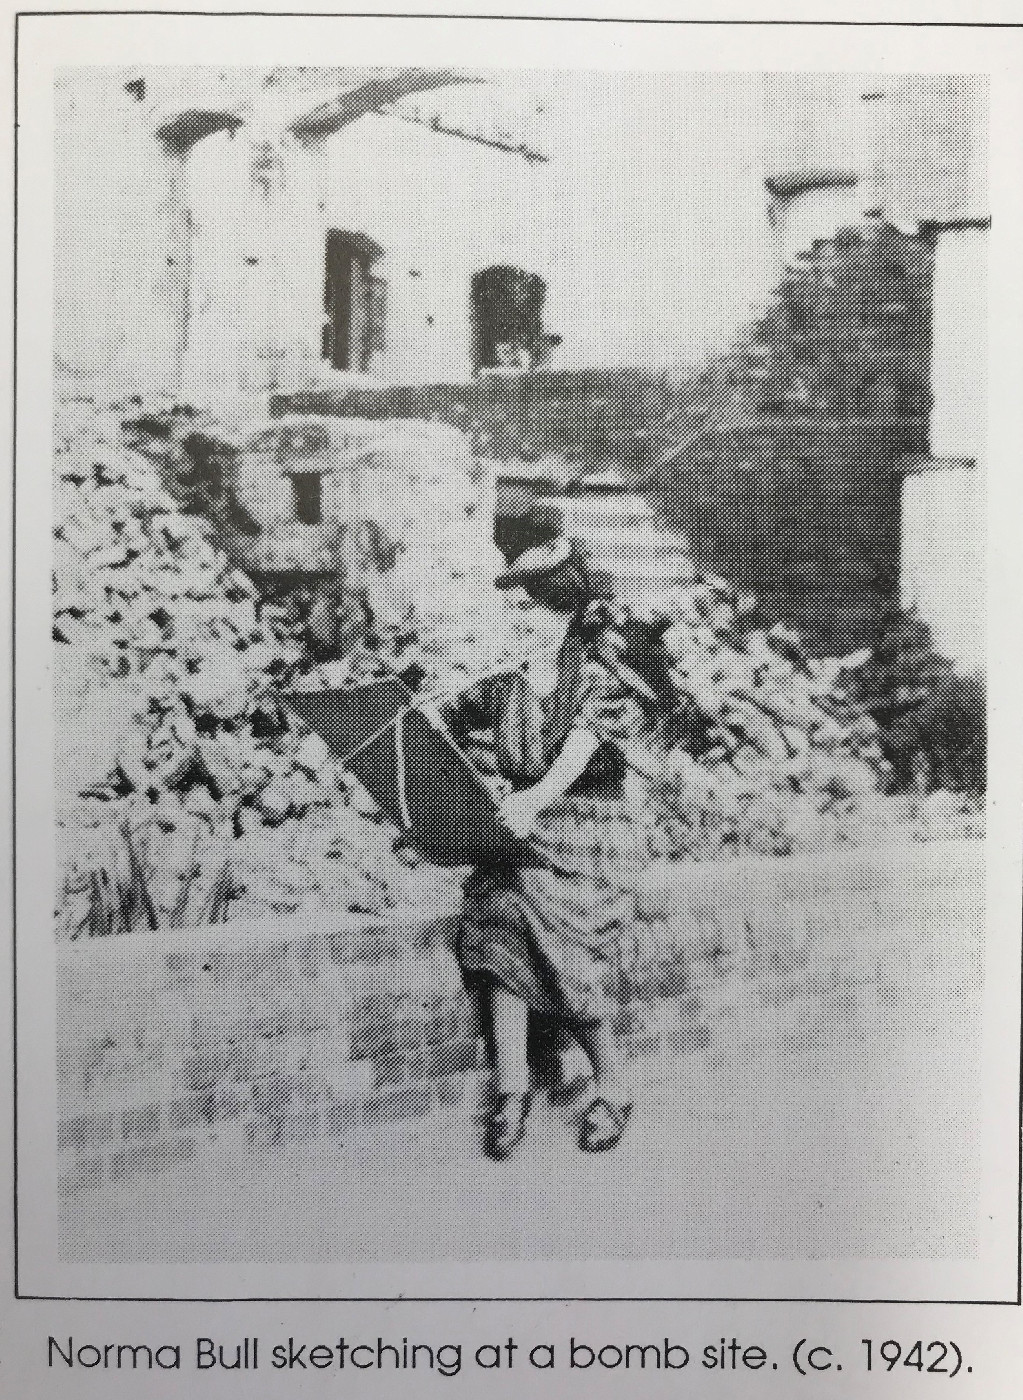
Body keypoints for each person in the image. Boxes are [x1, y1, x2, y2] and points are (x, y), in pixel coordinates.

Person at [440, 535, 670, 1160]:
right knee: (494, 929)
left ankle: (609, 1085)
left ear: (561, 609)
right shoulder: (514, 678)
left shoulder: (597, 672)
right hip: (532, 830)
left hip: (591, 833)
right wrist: (460, 745)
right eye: (515, 603)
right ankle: (511, 1094)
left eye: (530, 603)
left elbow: (577, 751)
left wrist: (532, 798)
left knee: (569, 958)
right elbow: (485, 738)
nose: (518, 614)